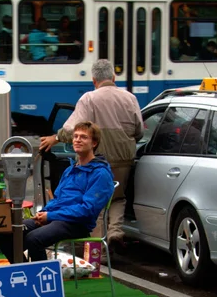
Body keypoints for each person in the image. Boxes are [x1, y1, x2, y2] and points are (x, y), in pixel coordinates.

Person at [38, 59, 143, 240]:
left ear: (94, 80)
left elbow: (71, 129)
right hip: (124, 159)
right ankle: (116, 231)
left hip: (99, 161)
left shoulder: (89, 98)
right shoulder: (130, 98)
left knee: (98, 205)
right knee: (118, 197)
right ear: (113, 77)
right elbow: (139, 131)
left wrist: (56, 138)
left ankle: (98, 250)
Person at [0, 122, 114, 263]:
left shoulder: (100, 173)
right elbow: (58, 199)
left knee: (33, 239)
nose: (77, 140)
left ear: (94, 143)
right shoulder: (71, 169)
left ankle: (41, 280)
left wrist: (50, 215)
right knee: (5, 233)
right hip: (56, 218)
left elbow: (87, 210)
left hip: (77, 223)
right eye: (75, 136)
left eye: (83, 137)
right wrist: (43, 214)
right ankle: (23, 271)